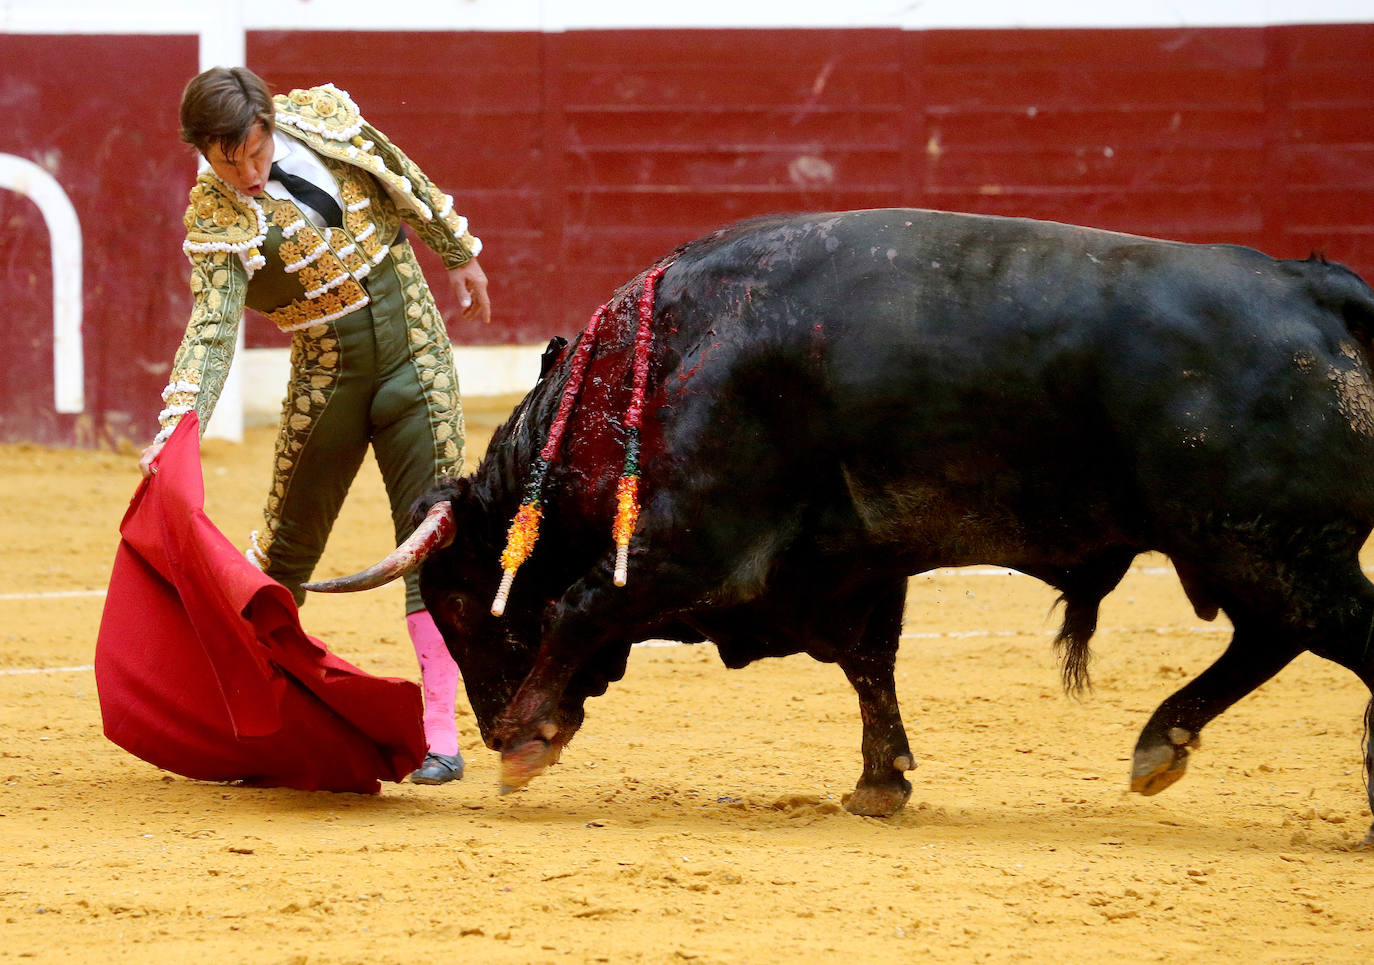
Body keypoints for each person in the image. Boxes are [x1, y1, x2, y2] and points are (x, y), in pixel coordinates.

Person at [138, 66, 487, 785]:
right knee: (283, 554)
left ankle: (440, 735)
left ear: (270, 125)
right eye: (226, 162)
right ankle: (262, 724)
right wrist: (180, 423)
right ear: (201, 151)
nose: (247, 175)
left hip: (417, 356)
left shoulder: (325, 120)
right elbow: (211, 329)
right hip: (328, 379)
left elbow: (397, 173)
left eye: (255, 154)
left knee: (433, 536)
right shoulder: (214, 216)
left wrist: (458, 254)